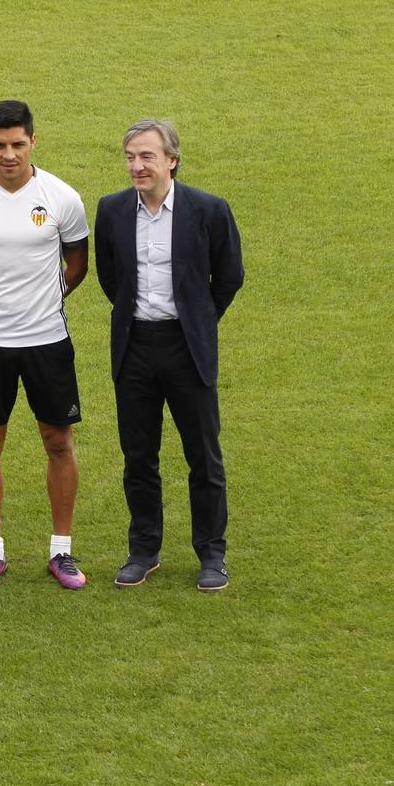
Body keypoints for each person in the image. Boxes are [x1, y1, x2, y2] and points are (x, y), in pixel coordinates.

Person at [0, 100, 90, 591]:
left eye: (18, 144)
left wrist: (45, 301)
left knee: (58, 441)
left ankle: (61, 551)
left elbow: (78, 264)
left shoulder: (62, 198)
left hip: (48, 340)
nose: (9, 154)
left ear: (33, 141)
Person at [95, 119, 244, 592]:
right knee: (139, 456)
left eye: (147, 157)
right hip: (135, 347)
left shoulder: (208, 209)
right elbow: (110, 277)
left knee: (203, 455)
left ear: (171, 160)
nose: (137, 166)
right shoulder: (112, 210)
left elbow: (230, 275)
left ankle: (212, 554)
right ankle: (143, 550)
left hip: (187, 349)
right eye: (131, 157)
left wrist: (198, 319)